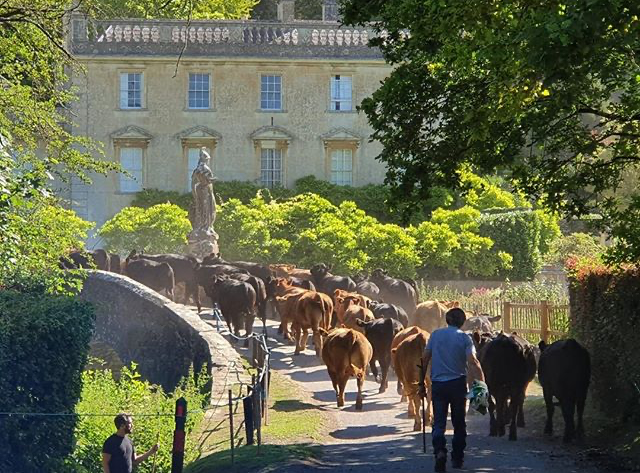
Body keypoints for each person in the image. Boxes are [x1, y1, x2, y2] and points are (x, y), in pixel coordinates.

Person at [421, 308, 486, 472]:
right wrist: (482, 384)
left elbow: (425, 358)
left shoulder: (435, 335)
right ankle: (457, 457)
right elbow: (473, 361)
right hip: (457, 384)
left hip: (438, 385)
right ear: (463, 322)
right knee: (459, 423)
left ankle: (440, 451)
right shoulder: (465, 338)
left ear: (447, 320)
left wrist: (421, 382)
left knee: (439, 422)